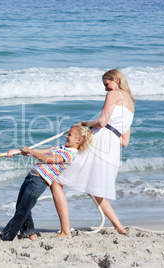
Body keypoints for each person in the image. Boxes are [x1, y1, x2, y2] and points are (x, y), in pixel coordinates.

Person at [52, 69, 135, 238]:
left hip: (99, 143)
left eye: (107, 84)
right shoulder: (132, 103)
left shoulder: (114, 94)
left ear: (116, 80)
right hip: (112, 149)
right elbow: (124, 141)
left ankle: (65, 231)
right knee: (96, 190)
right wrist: (109, 136)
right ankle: (120, 228)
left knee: (56, 179)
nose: (106, 89)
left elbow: (103, 122)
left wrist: (84, 124)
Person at [0, 125, 92, 241]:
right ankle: (30, 233)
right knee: (22, 206)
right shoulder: (60, 148)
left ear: (79, 140)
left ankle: (6, 237)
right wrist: (17, 152)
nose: (66, 137)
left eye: (69, 135)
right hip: (31, 177)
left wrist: (31, 151)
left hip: (38, 181)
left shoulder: (69, 155)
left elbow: (46, 159)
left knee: (22, 210)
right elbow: (36, 152)